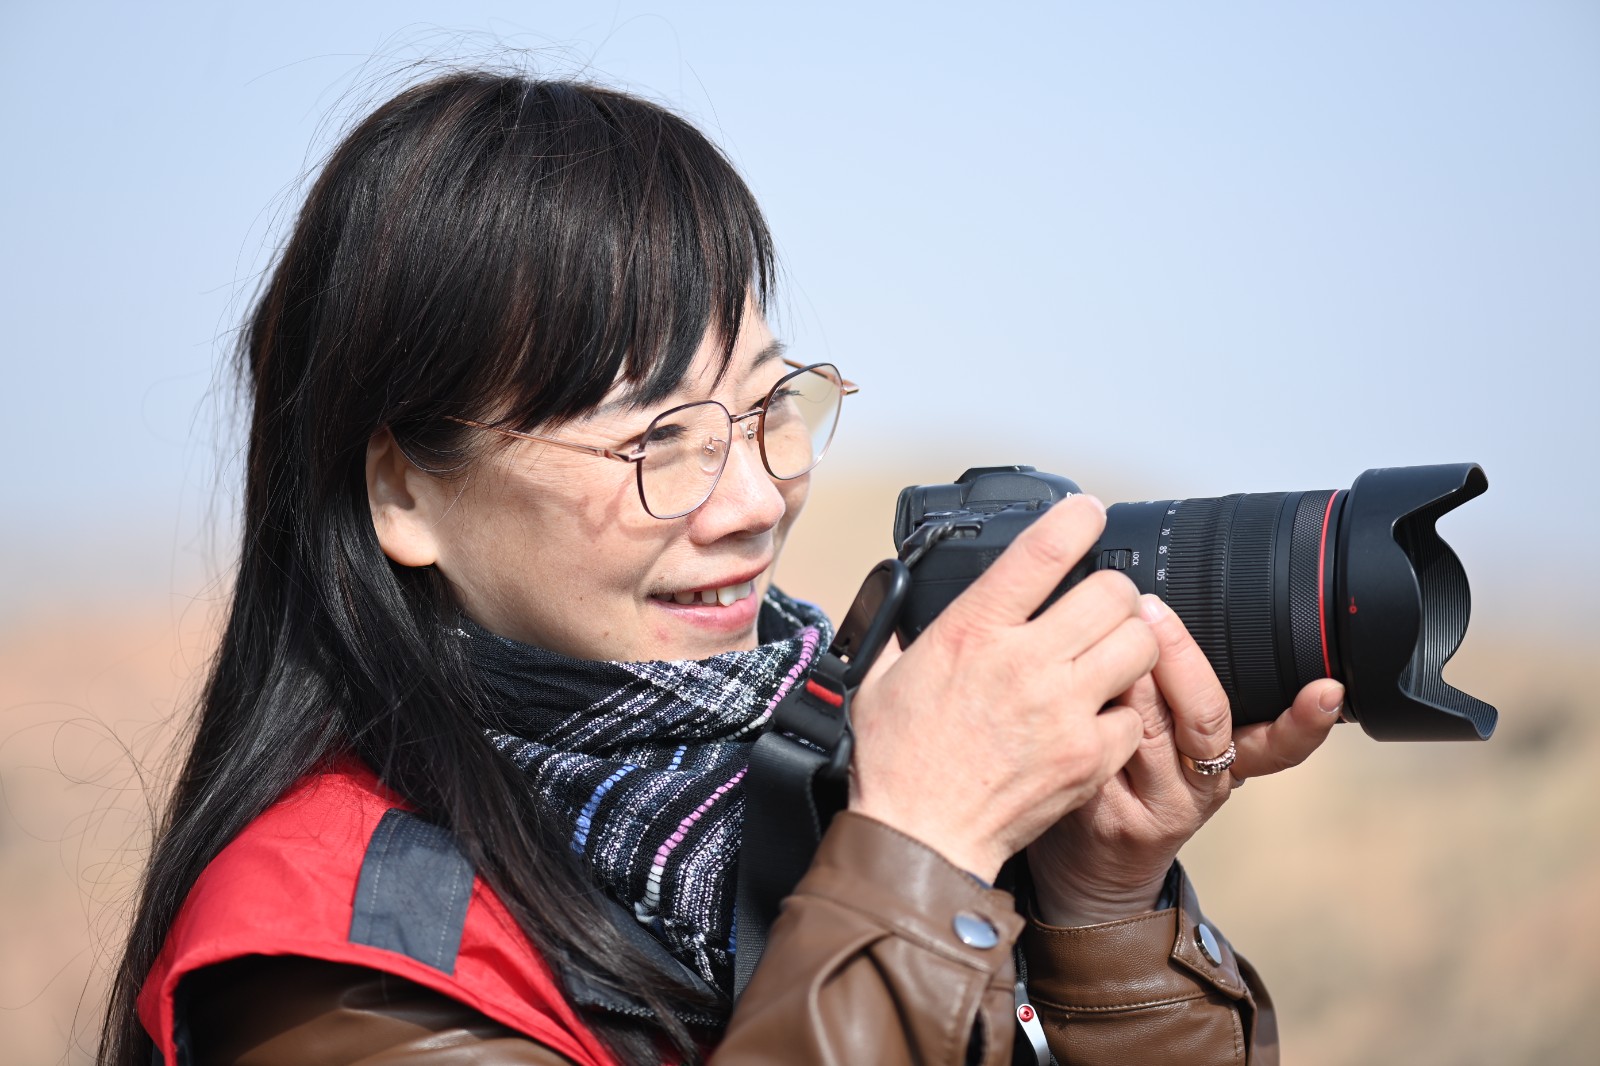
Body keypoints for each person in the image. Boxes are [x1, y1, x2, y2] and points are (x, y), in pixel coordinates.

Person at [99, 71, 1345, 1066]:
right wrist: (921, 848)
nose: (752, 503)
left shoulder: (815, 776)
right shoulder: (334, 950)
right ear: (404, 491)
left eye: (765, 407)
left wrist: (1099, 915)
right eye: (656, 440)